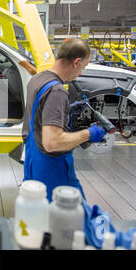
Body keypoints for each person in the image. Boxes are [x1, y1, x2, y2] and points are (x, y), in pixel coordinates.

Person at [21, 38, 105, 202]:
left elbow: (39, 113)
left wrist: (63, 111)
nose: (80, 73)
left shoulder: (38, 79)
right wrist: (89, 133)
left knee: (39, 213)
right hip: (51, 168)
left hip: (32, 160)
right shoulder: (57, 91)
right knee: (72, 217)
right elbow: (52, 142)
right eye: (83, 67)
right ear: (76, 62)